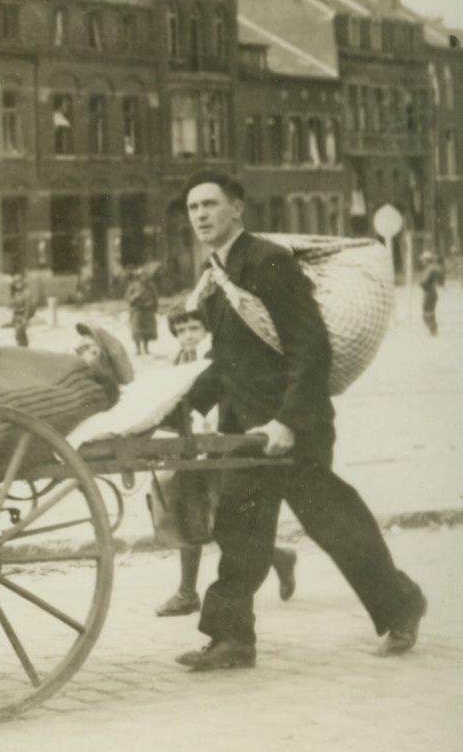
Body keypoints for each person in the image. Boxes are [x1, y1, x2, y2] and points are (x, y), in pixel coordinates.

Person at [174, 169, 425, 671]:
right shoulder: (215, 277)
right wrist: (176, 404)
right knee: (239, 527)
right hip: (243, 428)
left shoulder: (268, 261)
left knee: (331, 521)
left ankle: (401, 604)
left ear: (237, 209)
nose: (200, 214)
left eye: (210, 204)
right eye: (193, 207)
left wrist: (287, 421)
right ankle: (231, 640)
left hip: (295, 424)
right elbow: (225, 364)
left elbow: (312, 350)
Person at [155, 302, 297, 617]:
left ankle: (277, 556)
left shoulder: (215, 359)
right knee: (190, 507)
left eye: (194, 329)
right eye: (180, 330)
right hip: (197, 443)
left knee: (224, 520)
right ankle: (188, 591)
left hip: (222, 441)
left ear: (208, 330)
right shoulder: (183, 358)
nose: (187, 336)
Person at [125, 269, 159, 355]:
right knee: (137, 330)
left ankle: (146, 348)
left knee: (147, 330)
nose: (145, 277)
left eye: (146, 275)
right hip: (137, 311)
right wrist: (135, 296)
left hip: (148, 310)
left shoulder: (151, 286)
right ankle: (138, 349)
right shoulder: (133, 286)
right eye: (142, 276)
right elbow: (127, 298)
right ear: (139, 277)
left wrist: (154, 306)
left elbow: (155, 297)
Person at [419, 251, 445, 337]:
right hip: (431, 292)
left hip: (429, 292)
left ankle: (433, 330)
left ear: (427, 260)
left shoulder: (430, 269)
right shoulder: (433, 268)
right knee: (429, 312)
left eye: (423, 260)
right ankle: (433, 330)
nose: (422, 262)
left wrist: (421, 283)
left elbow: (424, 281)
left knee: (427, 312)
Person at [9, 273, 34, 347]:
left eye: (19, 281)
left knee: (19, 335)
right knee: (19, 336)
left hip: (22, 316)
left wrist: (25, 318)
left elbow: (28, 306)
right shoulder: (18, 293)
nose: (17, 283)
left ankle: (24, 351)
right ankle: (23, 350)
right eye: (15, 282)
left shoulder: (27, 292)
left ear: (23, 282)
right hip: (16, 316)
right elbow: (12, 304)